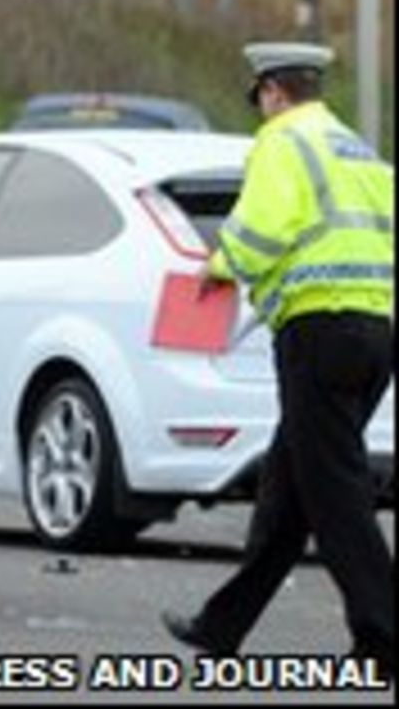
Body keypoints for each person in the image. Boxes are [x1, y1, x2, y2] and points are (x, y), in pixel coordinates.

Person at [161, 42, 394, 678]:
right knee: (287, 491)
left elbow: (261, 228)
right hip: (374, 332)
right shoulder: (357, 148)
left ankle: (384, 637)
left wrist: (218, 267)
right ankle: (222, 627)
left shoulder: (282, 143)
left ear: (272, 91)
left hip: (319, 330)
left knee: (335, 493)